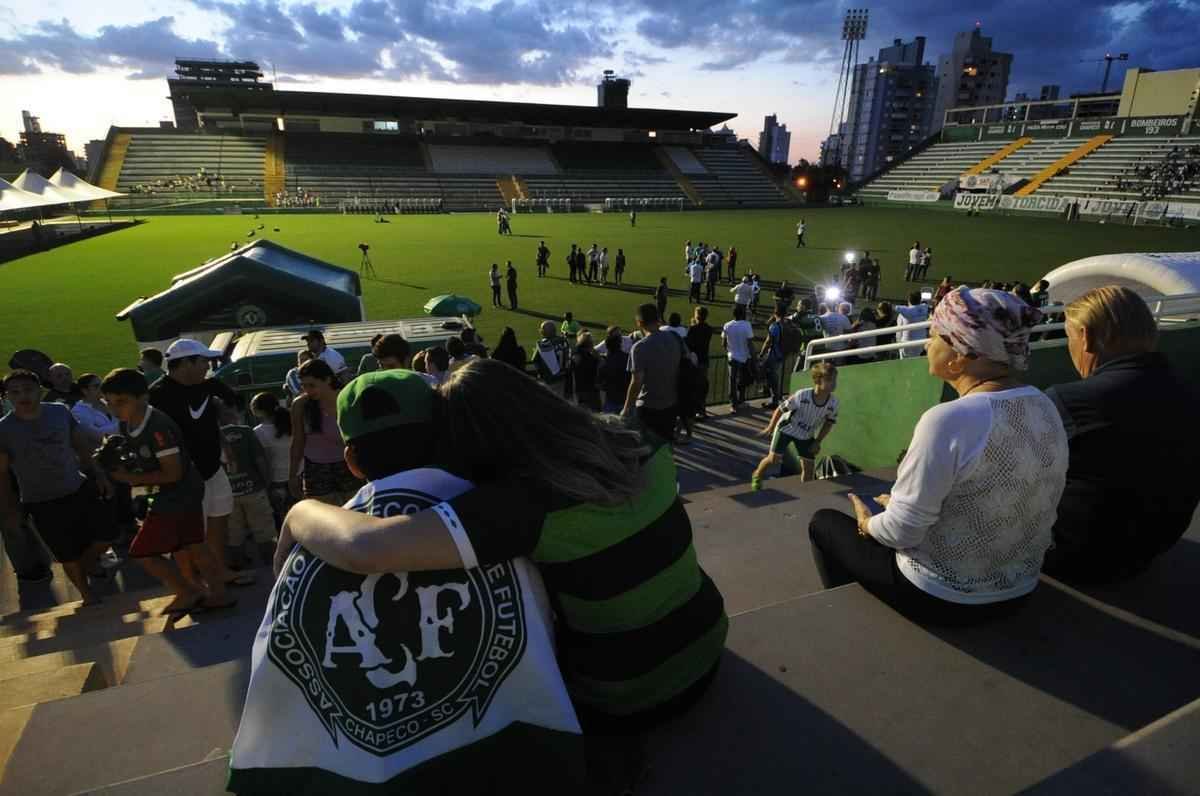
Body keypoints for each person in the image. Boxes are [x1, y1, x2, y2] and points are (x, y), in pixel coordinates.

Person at [272, 360, 727, 788]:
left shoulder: (517, 505)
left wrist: (298, 513)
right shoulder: (632, 436)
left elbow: (363, 547)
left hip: (630, 697)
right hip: (706, 639)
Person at [233, 370, 583, 793]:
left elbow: (279, 684)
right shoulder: (502, 513)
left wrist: (300, 509)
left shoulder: (305, 554)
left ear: (351, 461)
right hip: (516, 763)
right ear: (444, 436)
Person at [808, 287, 1067, 625]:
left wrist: (868, 523)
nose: (928, 344)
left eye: (934, 335)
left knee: (823, 523)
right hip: (1020, 590)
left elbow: (902, 533)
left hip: (943, 598)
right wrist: (902, 506)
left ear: (959, 355)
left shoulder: (948, 420)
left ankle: (845, 617)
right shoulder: (1044, 404)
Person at [1042, 286, 1200, 582]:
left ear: (1086, 337)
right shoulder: (1189, 391)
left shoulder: (1071, 400)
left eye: (1070, 337)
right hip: (1151, 549)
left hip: (1072, 555)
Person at [99, 369, 236, 615]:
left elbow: (172, 473)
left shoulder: (157, 427)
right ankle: (217, 594)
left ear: (143, 397)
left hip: (177, 495)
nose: (114, 408)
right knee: (195, 545)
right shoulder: (128, 423)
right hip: (174, 494)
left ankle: (188, 591)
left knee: (142, 552)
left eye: (121, 401)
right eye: (108, 402)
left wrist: (129, 478)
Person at [0, 370, 114, 604]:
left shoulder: (59, 412)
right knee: (66, 554)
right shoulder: (4, 429)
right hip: (41, 501)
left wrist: (99, 474)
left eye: (28, 389)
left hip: (76, 486)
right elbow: (2, 473)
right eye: (15, 392)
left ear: (40, 390)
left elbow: (80, 445)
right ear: (6, 397)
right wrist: (10, 509)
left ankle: (89, 562)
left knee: (108, 536)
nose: (23, 396)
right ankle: (87, 595)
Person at [150, 339, 252, 587]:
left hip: (213, 468)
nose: (208, 365)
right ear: (184, 363)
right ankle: (194, 582)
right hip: (185, 477)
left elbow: (230, 410)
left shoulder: (208, 386)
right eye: (203, 361)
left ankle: (219, 571)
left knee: (218, 520)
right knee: (191, 533)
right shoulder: (158, 395)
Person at [752, 362, 839, 489]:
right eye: (830, 380)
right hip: (787, 429)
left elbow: (829, 423)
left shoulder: (834, 403)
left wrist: (818, 441)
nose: (834, 383)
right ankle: (757, 475)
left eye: (835, 379)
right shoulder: (802, 395)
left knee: (809, 469)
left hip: (806, 435)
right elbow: (781, 409)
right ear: (818, 380)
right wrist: (770, 427)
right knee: (773, 459)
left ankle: (805, 494)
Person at [287, 359, 361, 507]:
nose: (307, 390)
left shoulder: (347, 399)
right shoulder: (300, 405)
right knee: (323, 516)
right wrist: (293, 475)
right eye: (304, 386)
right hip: (315, 468)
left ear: (327, 379)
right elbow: (298, 441)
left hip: (348, 465)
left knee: (356, 511)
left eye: (312, 385)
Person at [219, 403, 275, 568]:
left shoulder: (209, 436)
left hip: (227, 493)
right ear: (233, 414)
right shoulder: (245, 431)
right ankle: (270, 561)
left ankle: (239, 563)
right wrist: (267, 482)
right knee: (263, 528)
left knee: (234, 532)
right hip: (253, 488)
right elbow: (260, 461)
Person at [622, 304, 681, 442]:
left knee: (646, 449)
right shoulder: (674, 338)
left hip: (648, 407)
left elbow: (636, 382)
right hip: (671, 404)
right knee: (665, 447)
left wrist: (626, 409)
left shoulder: (640, 347)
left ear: (639, 323)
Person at [250, 392, 293, 528]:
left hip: (275, 481)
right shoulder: (292, 424)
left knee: (282, 522)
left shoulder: (258, 432)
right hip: (297, 477)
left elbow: (264, 461)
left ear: (258, 410)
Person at [71, 373, 120, 445]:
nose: (101, 388)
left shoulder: (109, 403)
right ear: (85, 391)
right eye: (96, 386)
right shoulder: (78, 411)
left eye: (102, 385)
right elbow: (96, 435)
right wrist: (123, 425)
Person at [722, 304, 755, 411]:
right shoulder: (747, 325)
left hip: (732, 357)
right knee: (743, 380)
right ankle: (741, 401)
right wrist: (754, 357)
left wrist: (729, 352)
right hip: (745, 357)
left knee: (732, 381)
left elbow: (723, 343)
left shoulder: (727, 325)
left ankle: (733, 404)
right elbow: (750, 343)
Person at [757, 304, 787, 409]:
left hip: (774, 354)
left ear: (775, 313)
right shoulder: (788, 324)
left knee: (770, 375)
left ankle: (774, 399)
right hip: (783, 354)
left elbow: (768, 341)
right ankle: (774, 394)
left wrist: (761, 353)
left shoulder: (774, 326)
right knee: (774, 375)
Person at [532, 321, 571, 397]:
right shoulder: (563, 340)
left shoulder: (544, 344)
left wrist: (541, 374)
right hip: (562, 377)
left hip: (549, 379)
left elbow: (535, 360)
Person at [599, 326, 631, 414]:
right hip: (626, 400)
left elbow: (601, 386)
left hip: (611, 401)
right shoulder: (627, 358)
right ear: (620, 344)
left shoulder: (604, 363)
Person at [895, 291, 932, 359]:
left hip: (906, 342)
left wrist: (898, 342)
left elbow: (899, 330)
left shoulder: (903, 314)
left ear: (909, 300)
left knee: (905, 364)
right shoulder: (924, 310)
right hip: (919, 343)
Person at [572, 332, 602, 411]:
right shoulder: (592, 358)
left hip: (579, 389)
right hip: (591, 390)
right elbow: (602, 365)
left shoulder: (575, 354)